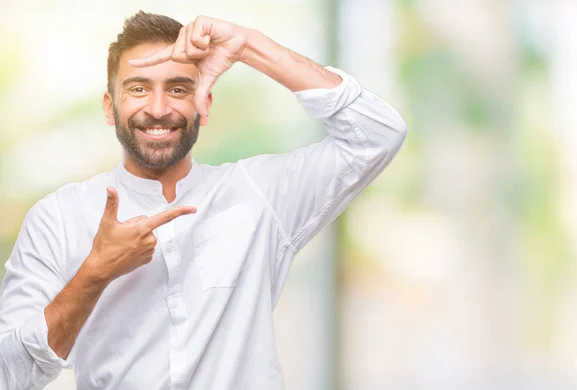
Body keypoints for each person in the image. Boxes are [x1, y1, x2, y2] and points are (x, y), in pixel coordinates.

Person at [0, 10, 407, 390]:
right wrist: (94, 273)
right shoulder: (58, 217)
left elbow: (377, 135)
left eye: (178, 89)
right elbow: (10, 372)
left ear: (204, 104)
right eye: (138, 89)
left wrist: (248, 45)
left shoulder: (259, 196)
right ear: (111, 108)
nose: (158, 109)